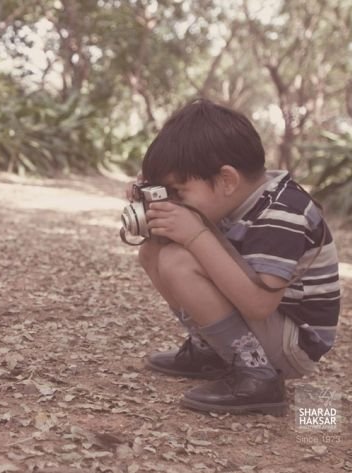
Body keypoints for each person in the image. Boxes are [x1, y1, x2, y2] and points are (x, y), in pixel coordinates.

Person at [129, 98, 340, 415]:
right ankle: (214, 351)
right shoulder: (234, 200)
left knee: (178, 261)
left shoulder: (284, 212)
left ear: (227, 180)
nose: (176, 201)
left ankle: (258, 374)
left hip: (294, 344)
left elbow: (259, 304)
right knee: (153, 250)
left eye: (179, 191)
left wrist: (195, 233)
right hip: (268, 325)